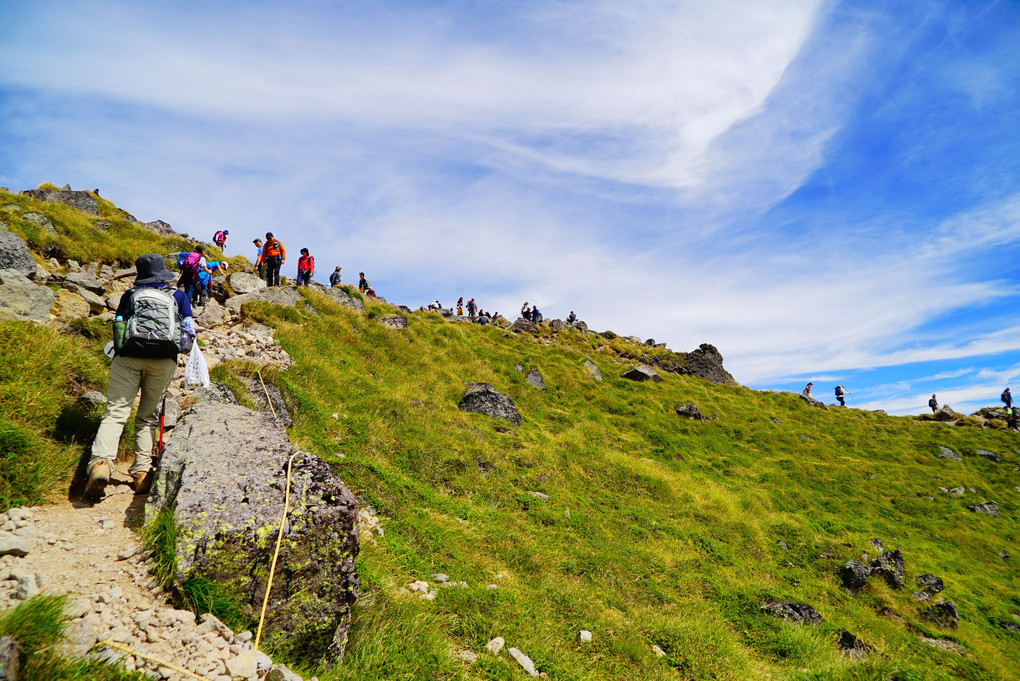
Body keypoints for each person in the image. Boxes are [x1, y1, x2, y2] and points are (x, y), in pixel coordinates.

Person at [84, 254, 194, 499]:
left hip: (128, 359)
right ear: (163, 273)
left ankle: (101, 464)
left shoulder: (130, 296)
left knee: (115, 412)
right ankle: (142, 473)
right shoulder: (178, 296)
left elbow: (120, 326)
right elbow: (188, 330)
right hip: (164, 361)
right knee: (147, 417)